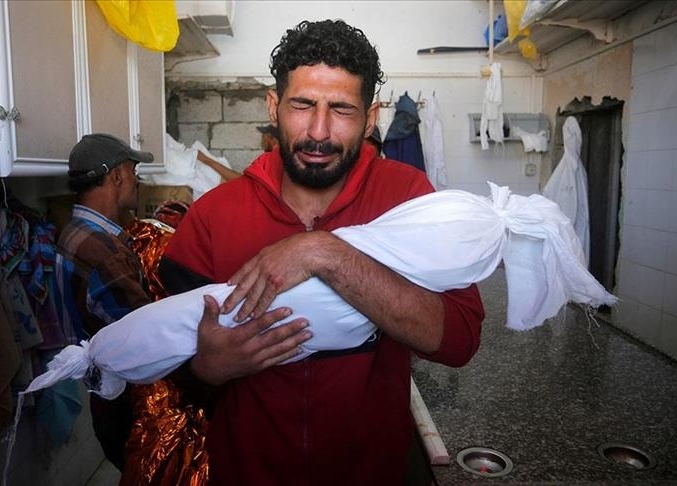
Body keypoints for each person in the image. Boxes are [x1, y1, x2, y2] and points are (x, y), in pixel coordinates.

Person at [158, 19, 484, 485]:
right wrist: (205, 370)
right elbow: (161, 370)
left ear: (370, 118)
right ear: (274, 107)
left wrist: (326, 253)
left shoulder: (408, 198)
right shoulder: (211, 216)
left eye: (342, 109)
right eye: (302, 105)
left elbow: (459, 341)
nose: (319, 131)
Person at [54, 133, 154, 471]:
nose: (137, 181)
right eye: (134, 172)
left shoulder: (74, 231)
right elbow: (146, 334)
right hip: (126, 402)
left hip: (104, 399)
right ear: (116, 176)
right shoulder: (102, 250)